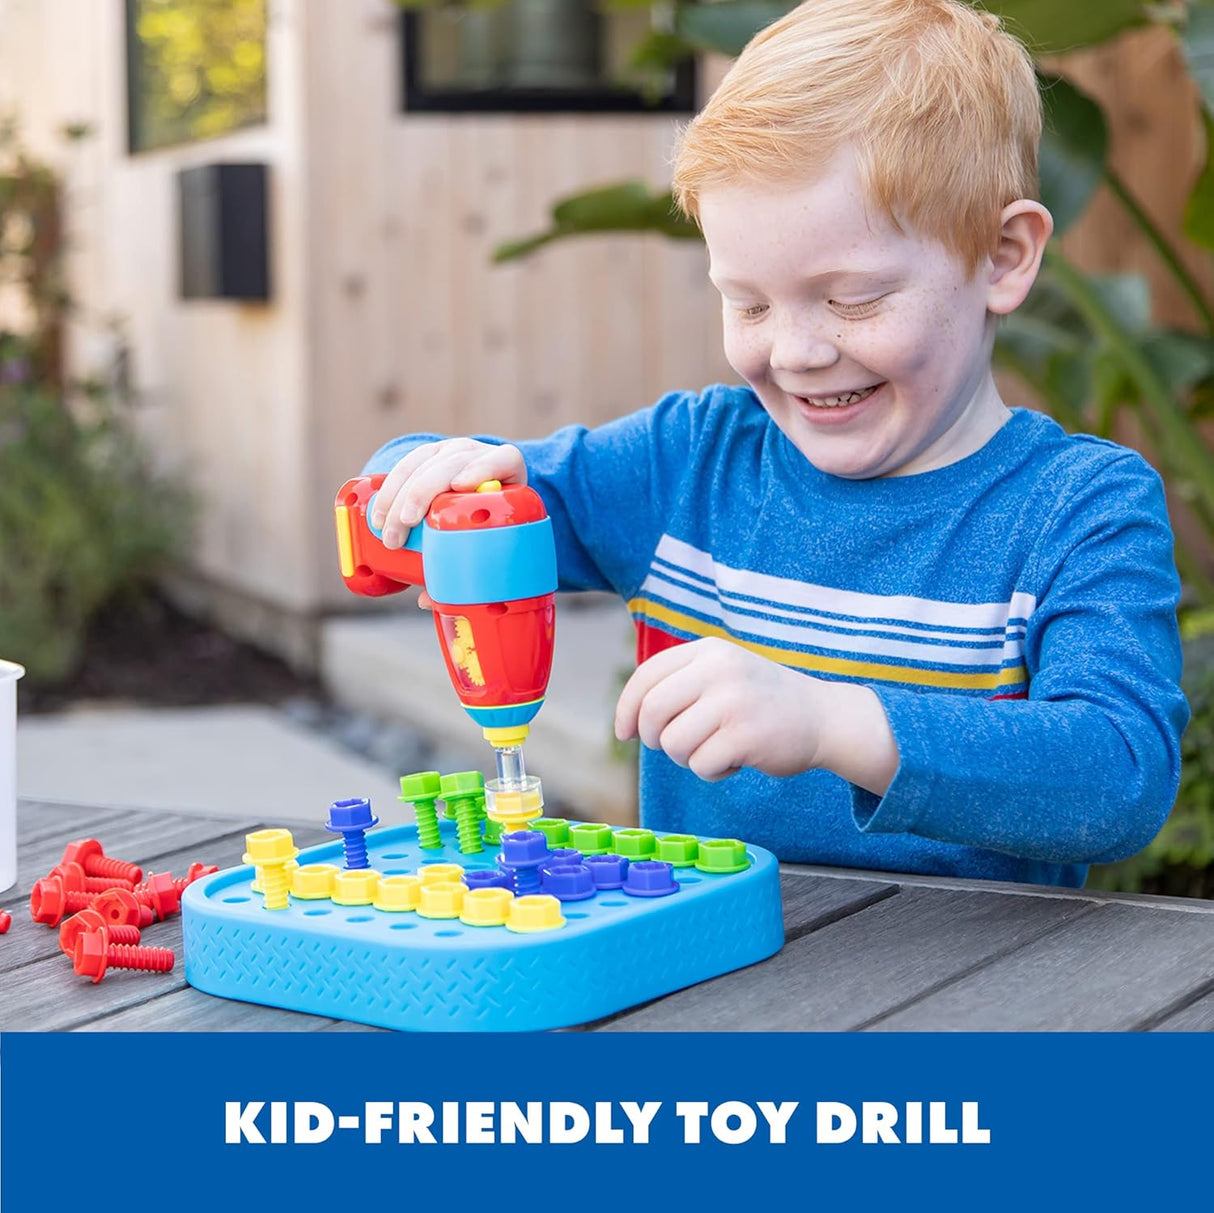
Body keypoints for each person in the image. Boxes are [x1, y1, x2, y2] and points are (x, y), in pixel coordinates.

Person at [361, 0, 1189, 887]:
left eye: (852, 298)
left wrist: (833, 724)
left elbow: (1119, 775)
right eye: (748, 303)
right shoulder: (691, 461)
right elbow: (475, 497)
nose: (794, 351)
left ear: (1002, 255)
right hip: (709, 962)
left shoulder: (1079, 508)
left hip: (963, 973)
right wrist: (425, 479)